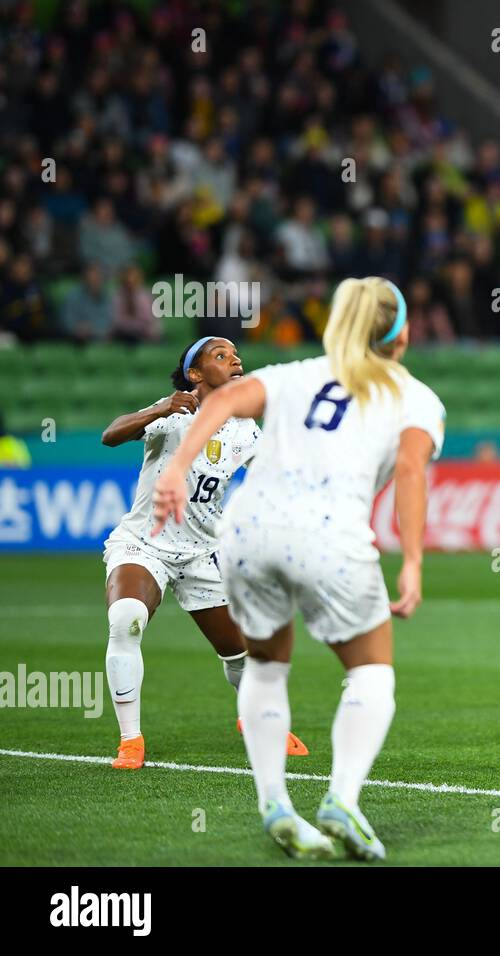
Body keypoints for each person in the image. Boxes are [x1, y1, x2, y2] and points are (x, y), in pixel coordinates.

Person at [150, 278, 445, 862]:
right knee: (370, 673)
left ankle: (275, 804)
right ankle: (341, 799)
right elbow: (411, 471)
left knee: (265, 664)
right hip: (329, 536)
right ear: (401, 332)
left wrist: (177, 465)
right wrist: (412, 561)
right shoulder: (415, 397)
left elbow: (226, 400)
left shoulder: (300, 372)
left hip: (246, 530)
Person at [100, 337, 307, 770]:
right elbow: (111, 435)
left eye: (235, 354)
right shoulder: (173, 413)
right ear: (195, 374)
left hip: (201, 554)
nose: (235, 360)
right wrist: (158, 410)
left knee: (239, 653)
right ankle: (131, 739)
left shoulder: (242, 428)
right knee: (127, 618)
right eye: (220, 355)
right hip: (145, 543)